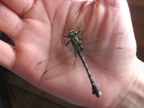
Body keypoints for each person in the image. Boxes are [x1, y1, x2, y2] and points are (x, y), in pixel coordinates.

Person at [0, 0, 143, 107]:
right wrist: (127, 87)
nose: (72, 33)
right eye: (73, 33)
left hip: (78, 53)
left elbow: (69, 42)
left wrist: (128, 85)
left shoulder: (70, 40)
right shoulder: (76, 39)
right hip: (81, 52)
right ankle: (97, 87)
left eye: (72, 33)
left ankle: (96, 86)